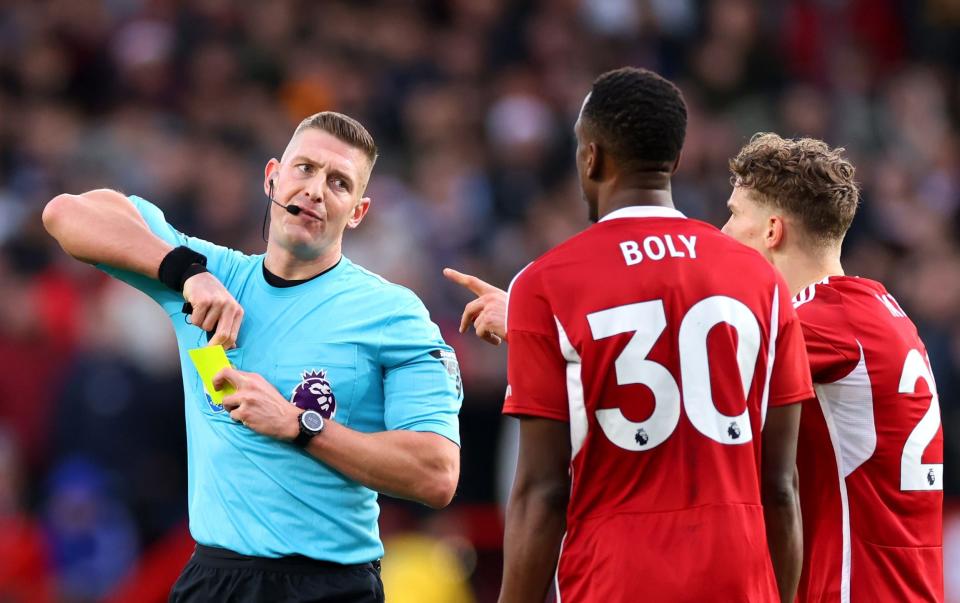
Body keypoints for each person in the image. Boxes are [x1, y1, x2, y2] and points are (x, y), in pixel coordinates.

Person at [42, 111, 463, 603]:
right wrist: (184, 273)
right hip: (213, 579)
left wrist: (298, 424)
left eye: (338, 182)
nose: (315, 189)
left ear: (357, 212)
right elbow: (67, 213)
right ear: (271, 178)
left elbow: (437, 475)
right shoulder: (211, 276)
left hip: (329, 586)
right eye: (304, 168)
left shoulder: (392, 312)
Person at [449, 67, 813, 602]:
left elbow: (542, 492)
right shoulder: (760, 279)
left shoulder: (546, 285)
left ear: (591, 156)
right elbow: (781, 486)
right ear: (675, 160)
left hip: (615, 580)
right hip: (738, 579)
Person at [721, 133, 944, 602]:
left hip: (856, 587)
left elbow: (699, 382)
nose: (723, 232)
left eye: (735, 214)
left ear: (772, 230)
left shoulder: (818, 323)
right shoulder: (877, 308)